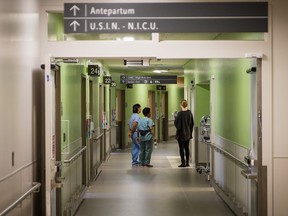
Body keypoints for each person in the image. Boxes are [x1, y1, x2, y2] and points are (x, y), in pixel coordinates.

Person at [174, 99, 194, 167]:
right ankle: (187, 162)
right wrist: (190, 132)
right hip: (188, 133)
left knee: (181, 148)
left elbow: (177, 125)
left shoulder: (180, 113)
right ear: (187, 104)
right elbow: (192, 123)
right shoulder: (190, 113)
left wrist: (175, 118)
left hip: (181, 134)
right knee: (187, 148)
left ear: (181, 105)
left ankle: (183, 162)